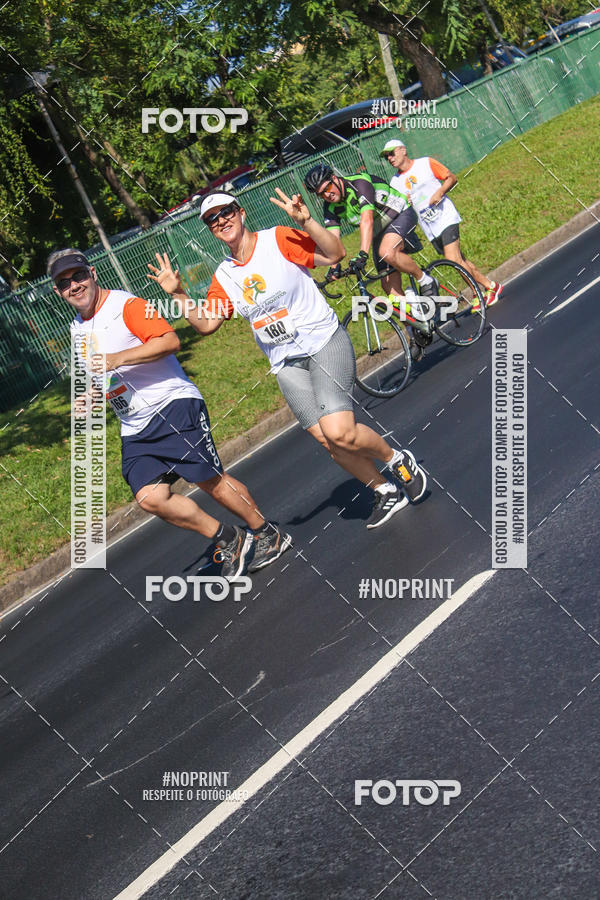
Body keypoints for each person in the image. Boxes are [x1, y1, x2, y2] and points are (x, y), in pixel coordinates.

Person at [148, 190, 429, 529]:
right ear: (210, 229)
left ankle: (398, 460)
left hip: (323, 342)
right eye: (212, 219)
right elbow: (206, 323)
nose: (221, 221)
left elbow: (335, 253)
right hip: (286, 364)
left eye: (226, 212)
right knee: (328, 441)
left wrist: (307, 221)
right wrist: (178, 294)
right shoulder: (224, 275)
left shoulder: (277, 240)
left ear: (241, 213)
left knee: (339, 431)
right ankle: (385, 490)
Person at [49, 247, 291, 578]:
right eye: (65, 283)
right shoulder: (77, 329)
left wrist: (118, 358)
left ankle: (267, 533)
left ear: (92, 273)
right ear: (57, 291)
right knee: (150, 497)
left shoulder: (127, 305)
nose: (74, 286)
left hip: (172, 405)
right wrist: (92, 396)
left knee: (210, 482)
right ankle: (230, 539)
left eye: (78, 276)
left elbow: (169, 340)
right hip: (135, 426)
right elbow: (104, 375)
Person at [381, 139, 503, 309]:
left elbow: (451, 178)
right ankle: (484, 289)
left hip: (445, 216)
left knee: (452, 258)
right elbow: (399, 207)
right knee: (460, 260)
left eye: (392, 153)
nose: (389, 158)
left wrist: (440, 191)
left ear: (403, 150)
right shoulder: (395, 182)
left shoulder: (425, 163)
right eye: (386, 156)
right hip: (429, 227)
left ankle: (484, 291)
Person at [302, 161, 438, 299]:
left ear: (335, 178)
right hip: (380, 231)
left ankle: (426, 281)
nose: (327, 195)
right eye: (321, 194)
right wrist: (333, 266)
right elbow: (332, 240)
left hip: (400, 214)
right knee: (389, 289)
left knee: (387, 252)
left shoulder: (359, 183)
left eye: (327, 187)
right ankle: (415, 318)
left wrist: (363, 254)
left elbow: (367, 220)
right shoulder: (330, 207)